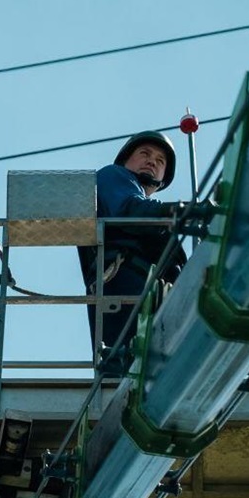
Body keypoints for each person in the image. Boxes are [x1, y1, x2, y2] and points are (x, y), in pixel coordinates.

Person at [78, 130, 188, 375]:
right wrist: (180, 212)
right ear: (126, 159)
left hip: (151, 298)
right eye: (145, 154)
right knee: (127, 371)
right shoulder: (113, 176)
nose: (152, 161)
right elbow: (128, 210)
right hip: (125, 286)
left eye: (160, 161)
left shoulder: (158, 219)